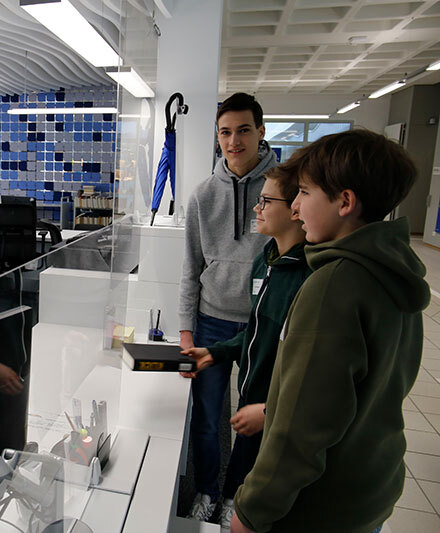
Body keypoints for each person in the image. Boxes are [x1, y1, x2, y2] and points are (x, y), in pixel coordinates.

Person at [230, 129, 428, 533]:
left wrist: (252, 511)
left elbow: (301, 428)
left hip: (319, 504)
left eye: (303, 192)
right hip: (371, 486)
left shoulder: (334, 284)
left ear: (345, 202)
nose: (296, 208)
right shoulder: (393, 269)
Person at [182, 165, 310, 528]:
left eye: (266, 201)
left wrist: (271, 411)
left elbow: (312, 373)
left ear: (296, 207)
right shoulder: (266, 261)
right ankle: (222, 497)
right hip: (258, 390)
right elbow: (258, 330)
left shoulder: (310, 277)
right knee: (235, 436)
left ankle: (238, 506)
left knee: (260, 463)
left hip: (281, 405)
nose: (257, 208)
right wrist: (215, 351)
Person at [179, 92, 277, 522]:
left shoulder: (283, 189)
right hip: (211, 321)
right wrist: (186, 331)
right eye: (225, 132)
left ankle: (237, 495)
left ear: (260, 132)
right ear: (216, 138)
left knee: (250, 420)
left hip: (261, 324)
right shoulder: (202, 195)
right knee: (206, 416)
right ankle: (205, 490)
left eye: (243, 130)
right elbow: (190, 268)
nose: (234, 141)